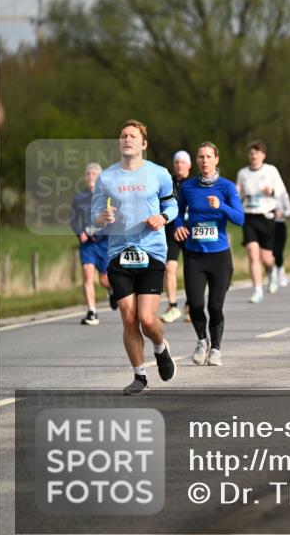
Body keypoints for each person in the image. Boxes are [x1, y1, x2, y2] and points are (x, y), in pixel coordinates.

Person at [92, 120, 177, 395]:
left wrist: (162, 218)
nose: (127, 139)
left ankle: (161, 348)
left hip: (151, 251)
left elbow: (172, 205)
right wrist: (102, 217)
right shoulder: (106, 178)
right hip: (119, 254)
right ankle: (140, 376)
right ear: (119, 143)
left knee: (148, 319)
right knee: (129, 319)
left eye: (132, 136)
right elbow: (94, 216)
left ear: (144, 143)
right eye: (123, 135)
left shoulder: (159, 173)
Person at [171, 142, 244, 367]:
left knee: (215, 306)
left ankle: (216, 349)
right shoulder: (188, 187)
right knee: (195, 305)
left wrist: (221, 206)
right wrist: (178, 226)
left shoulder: (226, 187)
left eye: (208, 157)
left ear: (216, 159)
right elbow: (177, 213)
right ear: (197, 160)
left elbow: (240, 219)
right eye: (201, 157)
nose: (204, 161)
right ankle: (202, 341)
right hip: (194, 255)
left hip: (219, 256)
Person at [236, 141, 287, 303]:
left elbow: (281, 190)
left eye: (257, 153)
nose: (254, 156)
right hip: (249, 216)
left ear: (263, 155)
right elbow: (238, 194)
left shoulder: (271, 170)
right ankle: (257, 291)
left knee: (266, 258)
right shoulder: (243, 173)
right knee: (252, 253)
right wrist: (237, 193)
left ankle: (272, 272)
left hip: (266, 217)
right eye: (251, 153)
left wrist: (271, 191)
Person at [71, 162, 113, 325]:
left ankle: (110, 290)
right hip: (87, 245)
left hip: (104, 243)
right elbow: (73, 220)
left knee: (104, 279)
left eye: (94, 174)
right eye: (88, 174)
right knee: (87, 274)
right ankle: (92, 312)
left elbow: (114, 219)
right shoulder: (79, 197)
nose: (90, 177)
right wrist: (79, 232)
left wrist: (101, 231)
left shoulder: (107, 197)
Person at [160, 151, 191, 323]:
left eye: (183, 162)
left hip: (190, 232)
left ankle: (190, 305)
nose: (179, 165)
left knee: (191, 270)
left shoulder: (194, 183)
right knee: (169, 268)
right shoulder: (167, 183)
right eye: (177, 162)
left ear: (189, 165)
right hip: (171, 231)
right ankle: (172, 306)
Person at [271, 189, 290, 288]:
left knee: (278, 251)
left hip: (279, 225)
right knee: (269, 252)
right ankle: (272, 276)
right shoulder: (262, 191)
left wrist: (282, 213)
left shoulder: (282, 193)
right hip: (266, 224)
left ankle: (281, 272)